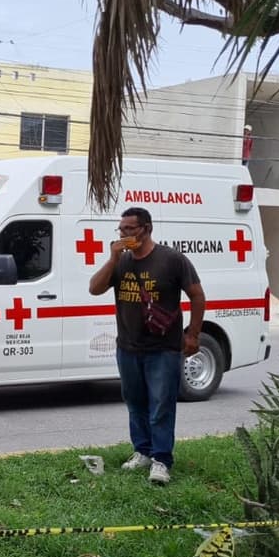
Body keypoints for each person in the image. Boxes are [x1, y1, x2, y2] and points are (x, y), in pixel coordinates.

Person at [88, 207, 206, 486]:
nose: (124, 234)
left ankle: (162, 459)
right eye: (121, 229)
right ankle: (142, 450)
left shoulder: (172, 260)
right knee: (135, 402)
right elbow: (94, 288)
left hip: (163, 347)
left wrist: (193, 334)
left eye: (130, 229)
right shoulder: (121, 261)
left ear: (146, 228)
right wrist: (113, 257)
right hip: (128, 346)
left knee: (162, 404)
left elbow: (197, 295)